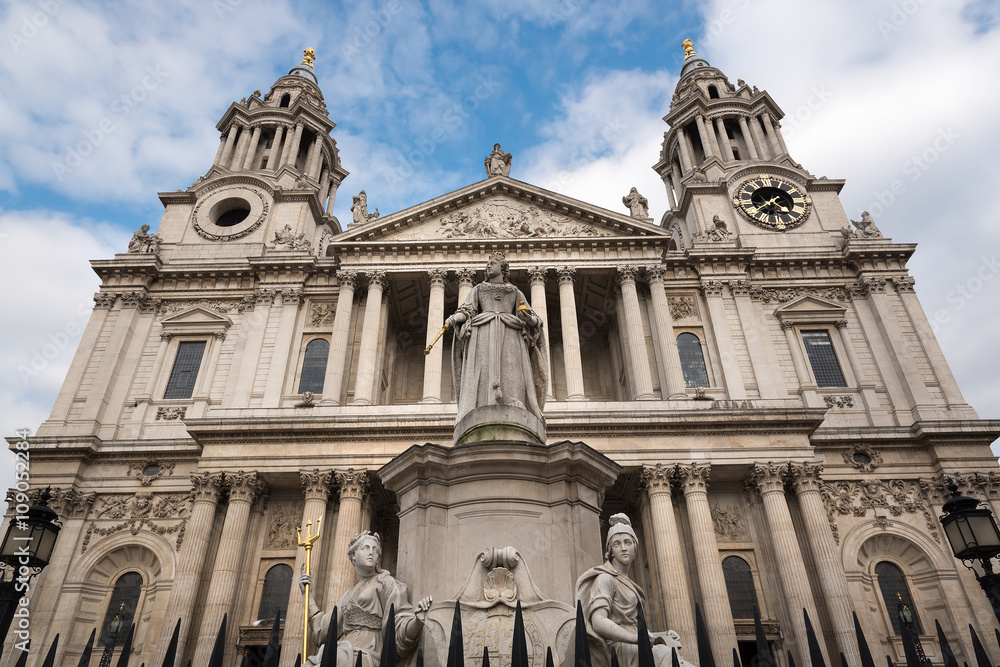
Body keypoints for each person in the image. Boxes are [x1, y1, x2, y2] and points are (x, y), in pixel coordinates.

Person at [576, 514, 694, 667]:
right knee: (671, 659)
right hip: (620, 647)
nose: (623, 548)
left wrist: (661, 635)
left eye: (628, 542)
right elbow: (598, 622)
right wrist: (637, 638)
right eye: (617, 544)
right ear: (610, 550)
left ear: (635, 547)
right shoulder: (606, 578)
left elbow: (634, 629)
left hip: (635, 643)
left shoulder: (627, 581)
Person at [299, 531, 432, 667]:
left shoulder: (385, 583)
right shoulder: (348, 594)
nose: (371, 552)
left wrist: (417, 621)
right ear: (353, 556)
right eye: (366, 548)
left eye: (375, 549)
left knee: (334, 659)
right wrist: (307, 595)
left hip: (369, 651)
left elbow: (399, 622)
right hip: (347, 649)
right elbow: (324, 631)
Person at [445, 252, 547, 425]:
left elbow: (534, 318)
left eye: (493, 263)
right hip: (483, 330)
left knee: (511, 365)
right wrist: (455, 318)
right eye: (488, 264)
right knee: (482, 365)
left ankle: (514, 399)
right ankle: (482, 401)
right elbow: (467, 309)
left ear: (503, 268)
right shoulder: (478, 289)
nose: (488, 266)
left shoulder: (514, 291)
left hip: (510, 331)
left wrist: (528, 319)